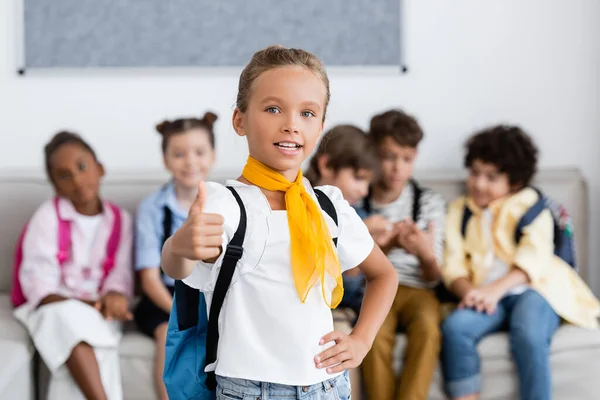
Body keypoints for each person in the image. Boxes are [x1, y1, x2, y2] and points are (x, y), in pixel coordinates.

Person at [161, 45, 398, 400]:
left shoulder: (327, 206)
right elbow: (177, 266)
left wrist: (362, 340)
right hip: (249, 390)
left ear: (320, 127)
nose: (291, 124)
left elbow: (384, 275)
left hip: (327, 386)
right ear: (239, 120)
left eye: (307, 113)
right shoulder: (224, 204)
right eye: (273, 109)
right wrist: (180, 245)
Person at [440, 125, 600, 400]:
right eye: (475, 173)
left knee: (528, 334)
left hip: (534, 289)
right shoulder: (459, 210)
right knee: (456, 328)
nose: (479, 183)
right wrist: (469, 292)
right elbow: (452, 262)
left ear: (514, 181)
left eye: (492, 177)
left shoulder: (532, 204)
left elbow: (534, 258)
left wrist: (495, 290)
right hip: (482, 294)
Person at [13, 131, 133, 400]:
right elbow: (40, 286)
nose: (77, 180)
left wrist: (114, 295)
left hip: (100, 310)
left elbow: (120, 274)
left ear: (99, 168)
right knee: (68, 321)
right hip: (51, 307)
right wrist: (86, 305)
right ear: (55, 185)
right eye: (64, 175)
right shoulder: (47, 217)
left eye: (82, 167)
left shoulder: (120, 220)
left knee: (87, 356)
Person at [360, 109, 446, 400]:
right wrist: (387, 245)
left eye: (406, 159)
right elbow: (350, 267)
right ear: (373, 154)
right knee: (374, 333)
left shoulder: (428, 203)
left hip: (418, 288)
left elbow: (435, 279)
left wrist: (425, 254)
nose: (397, 167)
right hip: (375, 285)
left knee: (427, 329)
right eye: (388, 157)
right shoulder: (359, 199)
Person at [134, 112, 217, 400]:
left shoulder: (225, 203)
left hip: (208, 297)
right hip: (164, 299)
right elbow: (148, 278)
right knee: (167, 337)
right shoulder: (153, 208)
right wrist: (178, 313)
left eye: (199, 152)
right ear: (166, 160)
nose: (191, 162)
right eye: (179, 154)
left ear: (213, 156)